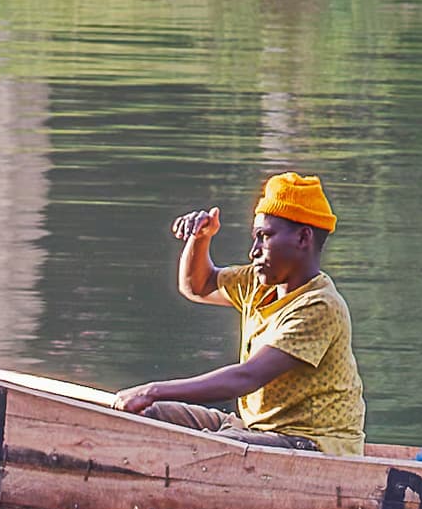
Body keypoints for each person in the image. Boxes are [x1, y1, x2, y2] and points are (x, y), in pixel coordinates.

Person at [119, 173, 367, 456]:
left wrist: (153, 389)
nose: (254, 251)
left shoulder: (320, 306)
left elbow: (247, 378)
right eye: (255, 238)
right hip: (253, 430)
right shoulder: (257, 283)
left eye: (264, 237)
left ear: (302, 237)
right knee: (148, 414)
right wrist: (200, 239)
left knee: (204, 447)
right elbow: (197, 287)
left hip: (312, 443)